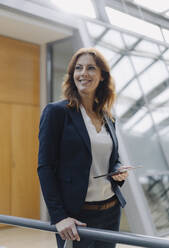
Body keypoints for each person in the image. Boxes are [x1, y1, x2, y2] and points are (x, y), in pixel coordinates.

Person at [38, 47, 129, 248]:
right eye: (78, 68)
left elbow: (113, 159)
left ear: (102, 76)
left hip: (111, 211)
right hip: (77, 216)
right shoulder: (56, 112)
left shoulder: (108, 117)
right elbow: (45, 167)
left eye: (90, 68)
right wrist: (59, 217)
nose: (83, 73)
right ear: (72, 75)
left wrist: (117, 170)